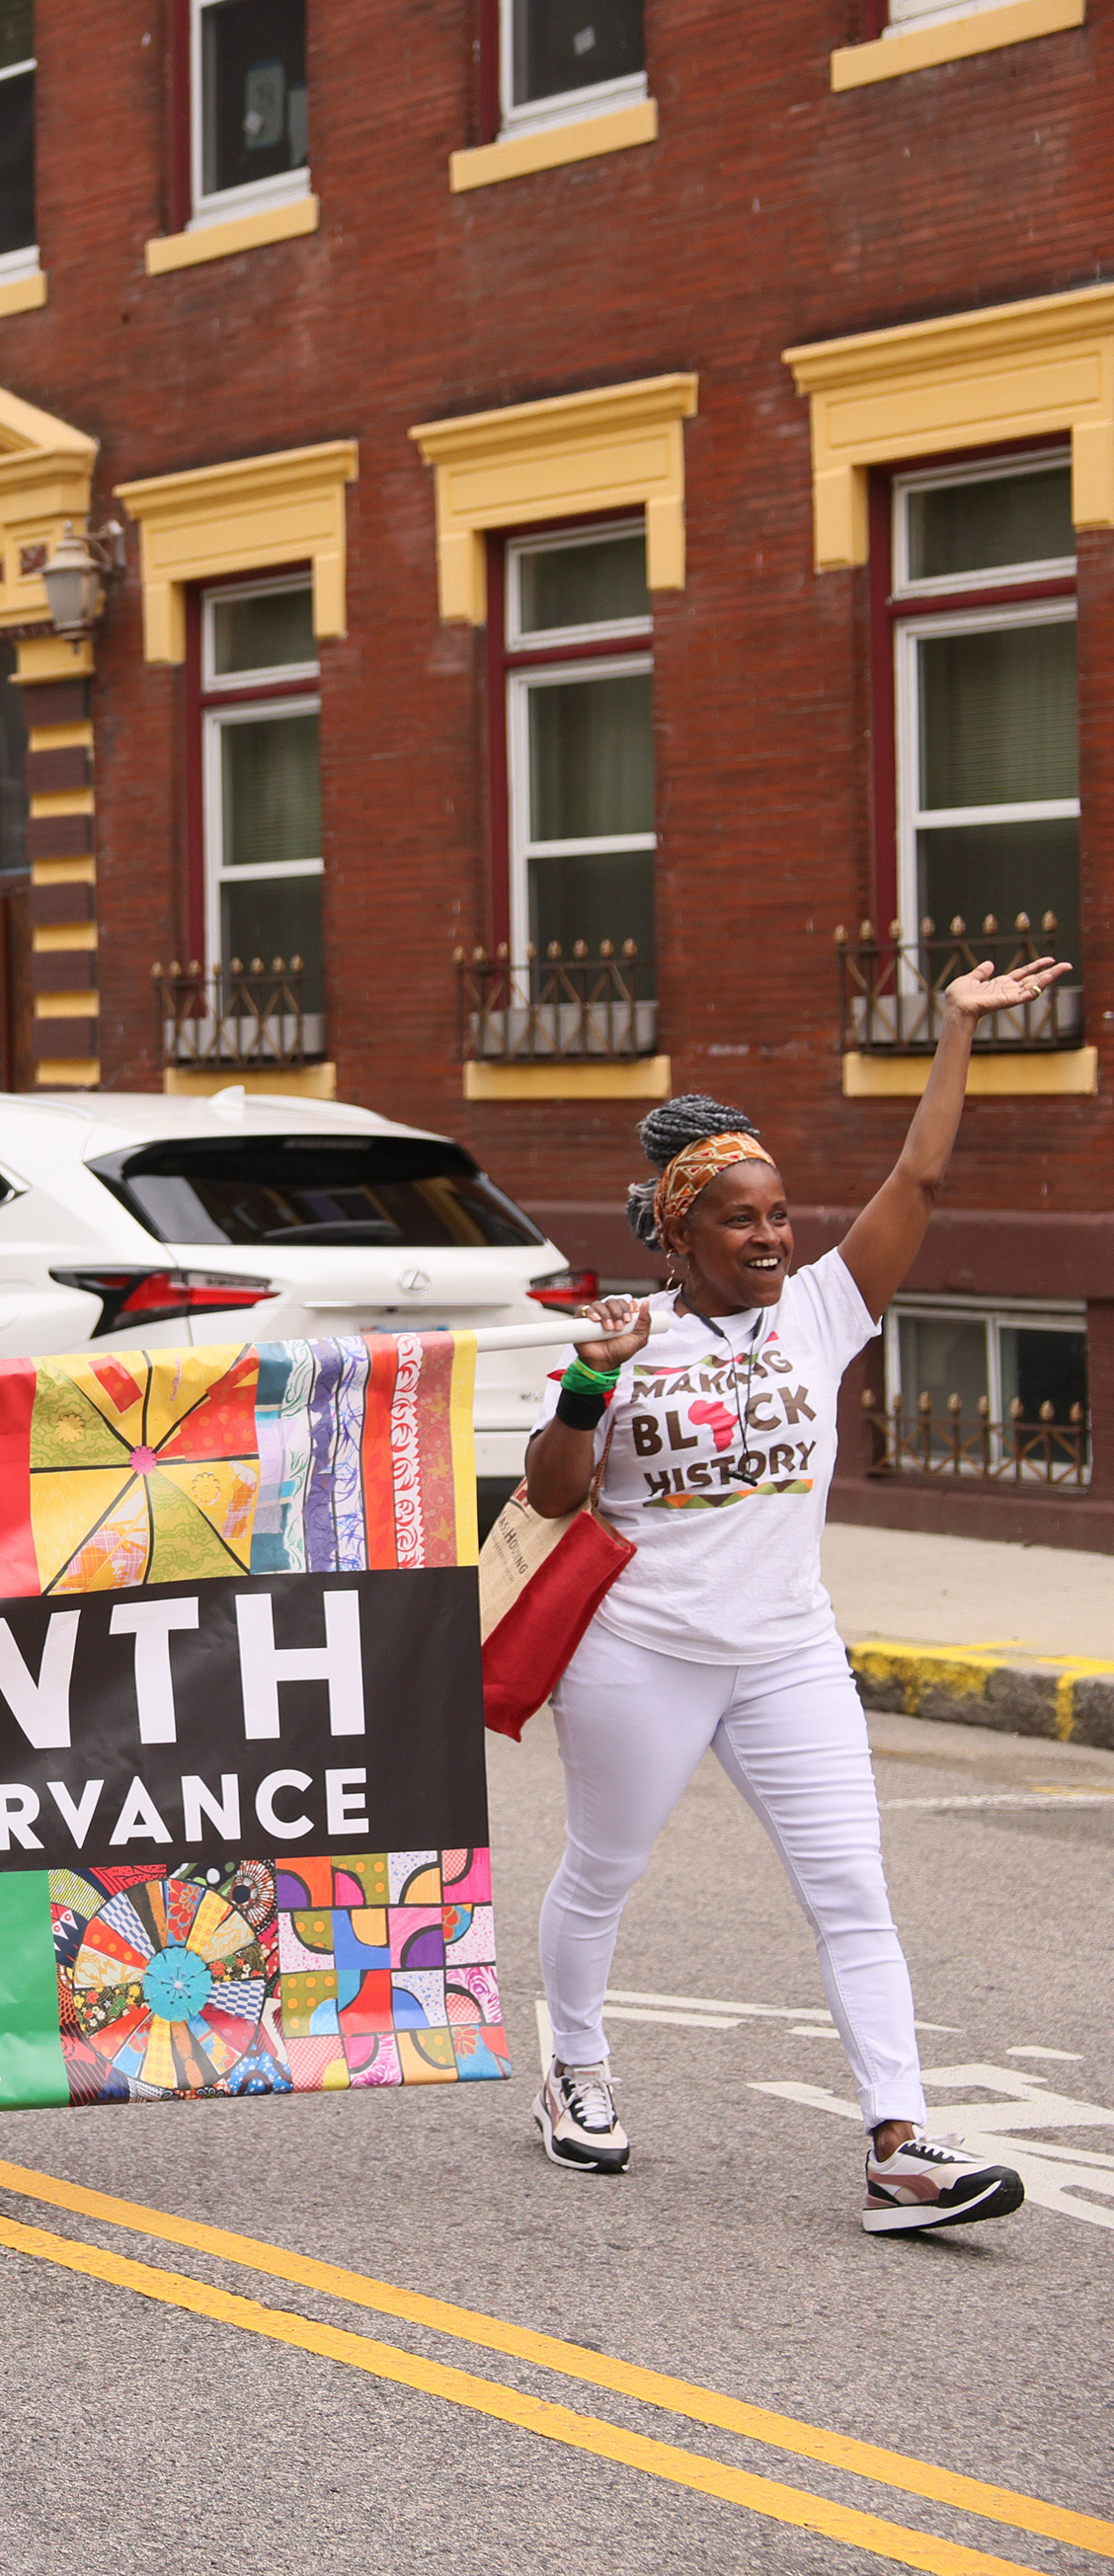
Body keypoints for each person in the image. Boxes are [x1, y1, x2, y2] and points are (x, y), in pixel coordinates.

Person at [523, 954, 1066, 2239]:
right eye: (742, 1220)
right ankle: (575, 2068)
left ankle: (899, 2146)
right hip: (642, 1652)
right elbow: (552, 1496)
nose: (773, 1237)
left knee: (853, 1892)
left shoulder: (823, 1310)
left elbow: (919, 1178)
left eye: (780, 1215)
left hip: (786, 1654)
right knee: (602, 1871)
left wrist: (952, 1034)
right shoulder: (628, 1345)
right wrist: (589, 1386)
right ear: (680, 1231)